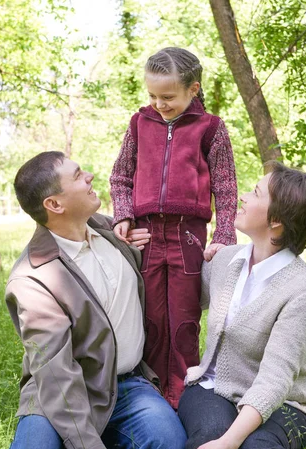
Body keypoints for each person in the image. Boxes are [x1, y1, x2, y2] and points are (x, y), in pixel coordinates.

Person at [0, 151, 187, 449]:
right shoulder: (33, 278)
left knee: (169, 443)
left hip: (126, 384)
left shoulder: (110, 230)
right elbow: (53, 371)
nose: (90, 177)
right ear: (55, 205)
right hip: (60, 391)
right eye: (78, 175)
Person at [177, 160, 306, 449]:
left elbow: (275, 381)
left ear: (275, 221)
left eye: (255, 192)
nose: (244, 196)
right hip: (212, 387)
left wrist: (228, 445)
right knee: (210, 438)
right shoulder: (225, 260)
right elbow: (180, 292)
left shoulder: (302, 289)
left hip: (286, 404)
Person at [110, 47, 238, 409]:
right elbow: (120, 176)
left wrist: (224, 234)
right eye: (152, 95)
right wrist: (123, 215)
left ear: (192, 89)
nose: (158, 104)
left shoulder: (211, 128)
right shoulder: (139, 124)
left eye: (167, 97)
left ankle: (183, 395)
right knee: (149, 317)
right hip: (147, 237)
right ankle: (148, 393)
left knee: (183, 319)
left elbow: (226, 188)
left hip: (188, 238)